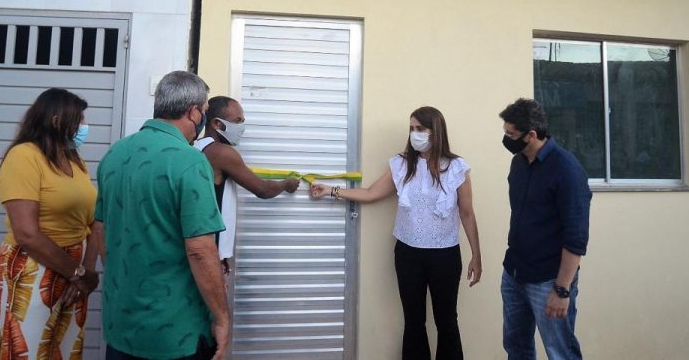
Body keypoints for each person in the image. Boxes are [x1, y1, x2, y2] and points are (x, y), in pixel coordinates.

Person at [310, 106, 482, 360]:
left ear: (436, 131)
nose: (414, 134)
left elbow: (467, 213)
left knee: (446, 320)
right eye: (411, 128)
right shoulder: (402, 164)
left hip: (445, 254)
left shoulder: (456, 168)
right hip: (408, 254)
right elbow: (371, 193)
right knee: (413, 320)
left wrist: (476, 255)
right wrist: (332, 191)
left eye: (420, 128)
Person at [93, 71, 229, 360]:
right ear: (193, 112)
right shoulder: (190, 160)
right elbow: (200, 250)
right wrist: (221, 318)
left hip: (121, 324)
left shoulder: (115, 154)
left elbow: (100, 230)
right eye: (204, 110)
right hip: (174, 331)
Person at [0, 88, 100, 359]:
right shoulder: (23, 156)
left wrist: (86, 271)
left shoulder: (74, 160)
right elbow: (27, 234)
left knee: (65, 351)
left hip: (75, 273)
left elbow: (92, 221)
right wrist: (78, 273)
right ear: (56, 121)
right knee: (26, 351)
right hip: (33, 267)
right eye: (79, 120)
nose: (84, 126)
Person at [498, 98, 592, 360]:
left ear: (531, 135)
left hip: (548, 280)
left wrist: (562, 290)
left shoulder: (567, 170)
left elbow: (576, 237)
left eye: (511, 134)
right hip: (514, 273)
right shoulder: (519, 163)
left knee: (560, 352)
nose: (506, 139)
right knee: (516, 348)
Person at [194, 96, 299, 271]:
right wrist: (286, 184)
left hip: (202, 245)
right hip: (210, 253)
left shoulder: (198, 147)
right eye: (237, 121)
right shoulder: (222, 153)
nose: (241, 128)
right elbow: (263, 190)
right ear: (217, 124)